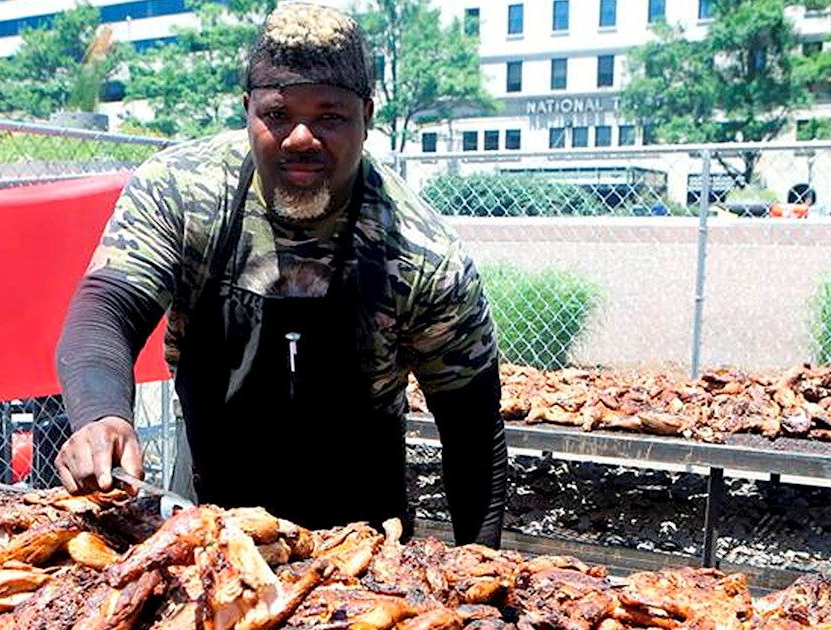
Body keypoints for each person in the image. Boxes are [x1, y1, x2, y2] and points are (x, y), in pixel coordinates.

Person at [54, 2, 506, 547]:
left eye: (329, 117)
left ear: (367, 115)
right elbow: (107, 307)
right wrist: (101, 415)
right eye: (277, 113)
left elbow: (472, 432)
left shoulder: (421, 253)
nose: (300, 138)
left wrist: (479, 576)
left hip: (365, 548)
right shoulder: (183, 192)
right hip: (206, 523)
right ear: (247, 109)